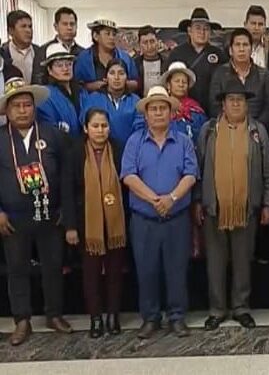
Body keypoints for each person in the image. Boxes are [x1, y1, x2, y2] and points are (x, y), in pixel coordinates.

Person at [0, 77, 75, 346]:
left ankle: (54, 314)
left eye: (27, 105)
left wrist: (67, 212)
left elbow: (67, 177)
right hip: (13, 219)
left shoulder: (52, 134)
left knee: (53, 267)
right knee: (17, 269)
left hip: (49, 215)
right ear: (7, 111)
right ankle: (21, 320)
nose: (23, 110)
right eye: (17, 105)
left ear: (35, 107)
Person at [121, 85, 199, 339]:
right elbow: (128, 176)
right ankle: (150, 318)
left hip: (176, 219)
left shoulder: (184, 141)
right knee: (146, 270)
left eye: (162, 108)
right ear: (146, 114)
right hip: (144, 220)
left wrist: (172, 198)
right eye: (153, 109)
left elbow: (191, 174)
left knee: (177, 270)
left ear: (171, 113)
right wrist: (156, 199)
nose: (157, 113)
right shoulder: (134, 141)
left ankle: (177, 317)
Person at [197, 79, 269, 330]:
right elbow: (199, 169)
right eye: (231, 100)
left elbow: (267, 171)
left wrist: (266, 203)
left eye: (240, 100)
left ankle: (241, 307)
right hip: (214, 207)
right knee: (216, 262)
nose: (235, 104)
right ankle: (217, 309)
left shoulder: (257, 131)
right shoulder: (209, 131)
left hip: (246, 208)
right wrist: (198, 201)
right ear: (222, 104)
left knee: (243, 261)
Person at [68, 108, 127, 338]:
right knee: (90, 274)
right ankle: (95, 318)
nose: (100, 130)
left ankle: (113, 315)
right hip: (87, 224)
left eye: (104, 126)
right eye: (95, 126)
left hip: (116, 223)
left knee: (114, 272)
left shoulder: (119, 149)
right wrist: (71, 226)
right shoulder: (75, 152)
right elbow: (68, 191)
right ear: (85, 129)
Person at [209, 28, 269, 127]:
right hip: (226, 127)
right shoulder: (220, 73)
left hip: (256, 130)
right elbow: (214, 106)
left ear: (251, 49)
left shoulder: (265, 75)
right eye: (237, 45)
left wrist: (253, 127)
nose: (241, 49)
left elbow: (268, 108)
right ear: (231, 50)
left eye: (245, 45)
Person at [168, 8, 226, 110]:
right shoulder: (176, 53)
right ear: (189, 31)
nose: (202, 32)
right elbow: (167, 81)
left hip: (213, 108)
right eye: (198, 28)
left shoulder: (219, 54)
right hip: (183, 110)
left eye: (206, 29)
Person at [81, 58, 144, 145]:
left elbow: (140, 129)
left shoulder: (135, 101)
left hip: (129, 150)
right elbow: (85, 124)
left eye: (121, 73)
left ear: (127, 78)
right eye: (112, 73)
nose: (116, 78)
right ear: (106, 78)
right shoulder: (93, 99)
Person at [37, 44, 89, 138]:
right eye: (59, 65)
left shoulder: (82, 91)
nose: (65, 69)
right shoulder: (45, 95)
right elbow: (49, 127)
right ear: (49, 70)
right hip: (60, 146)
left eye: (69, 64)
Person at [75, 19, 138, 92]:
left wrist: (122, 84)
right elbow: (75, 85)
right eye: (107, 34)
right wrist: (91, 86)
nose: (112, 38)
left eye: (114, 34)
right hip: (92, 101)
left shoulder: (125, 58)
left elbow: (136, 83)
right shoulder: (83, 58)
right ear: (95, 36)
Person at [34, 7, 84, 84]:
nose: (69, 28)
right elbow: (37, 80)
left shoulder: (83, 53)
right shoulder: (43, 50)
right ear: (56, 26)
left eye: (72, 24)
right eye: (65, 24)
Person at [161, 61, 207, 143]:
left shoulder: (196, 109)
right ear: (168, 85)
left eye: (184, 82)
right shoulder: (161, 108)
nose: (181, 85)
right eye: (177, 81)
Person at [0, 10, 42, 84]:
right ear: (10, 31)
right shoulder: (3, 54)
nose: (28, 30)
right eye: (23, 26)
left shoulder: (40, 52)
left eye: (30, 26)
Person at [134, 25, 168, 97]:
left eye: (152, 41)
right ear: (139, 45)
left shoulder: (167, 62)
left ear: (158, 42)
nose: (149, 46)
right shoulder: (134, 64)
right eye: (145, 42)